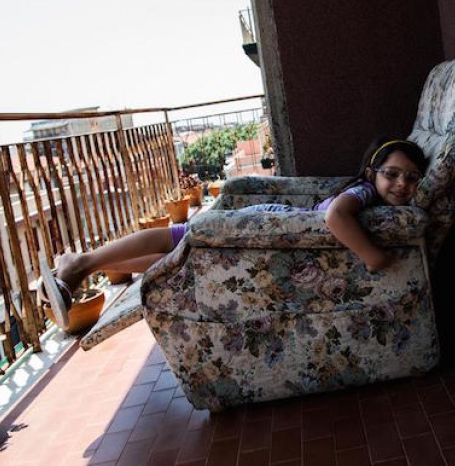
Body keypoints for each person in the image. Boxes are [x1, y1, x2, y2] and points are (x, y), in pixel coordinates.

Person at [40, 137, 428, 329]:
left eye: (411, 179)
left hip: (275, 231)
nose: (400, 185)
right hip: (266, 224)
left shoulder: (374, 198)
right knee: (178, 236)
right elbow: (335, 218)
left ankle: (83, 271)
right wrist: (372, 255)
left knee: (174, 260)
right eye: (391, 174)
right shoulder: (361, 194)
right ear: (370, 173)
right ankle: (81, 261)